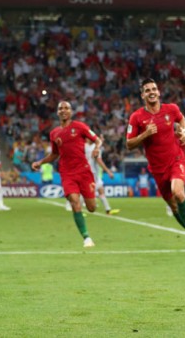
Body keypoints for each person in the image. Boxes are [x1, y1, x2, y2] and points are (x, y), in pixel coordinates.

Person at [126, 78, 185, 253]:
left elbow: (181, 120)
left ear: (159, 92)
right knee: (173, 206)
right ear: (142, 95)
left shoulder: (171, 109)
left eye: (154, 89)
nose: (151, 92)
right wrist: (145, 134)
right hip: (157, 168)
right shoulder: (137, 117)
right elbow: (129, 144)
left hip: (176, 159)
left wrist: (184, 132)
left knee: (178, 192)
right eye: (147, 90)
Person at [32, 102, 99, 248]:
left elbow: (97, 139)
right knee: (74, 201)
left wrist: (96, 149)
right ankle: (86, 237)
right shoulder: (54, 133)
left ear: (71, 111)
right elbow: (55, 154)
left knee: (92, 207)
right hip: (67, 173)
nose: (63, 111)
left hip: (84, 171)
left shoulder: (80, 127)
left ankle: (85, 207)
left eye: (66, 108)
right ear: (57, 112)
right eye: (60, 108)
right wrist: (40, 162)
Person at [85, 136, 120, 215]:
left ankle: (108, 210)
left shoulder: (85, 146)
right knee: (90, 192)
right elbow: (99, 160)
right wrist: (108, 171)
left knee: (100, 191)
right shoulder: (95, 148)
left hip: (89, 172)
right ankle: (78, 209)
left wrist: (100, 141)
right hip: (92, 173)